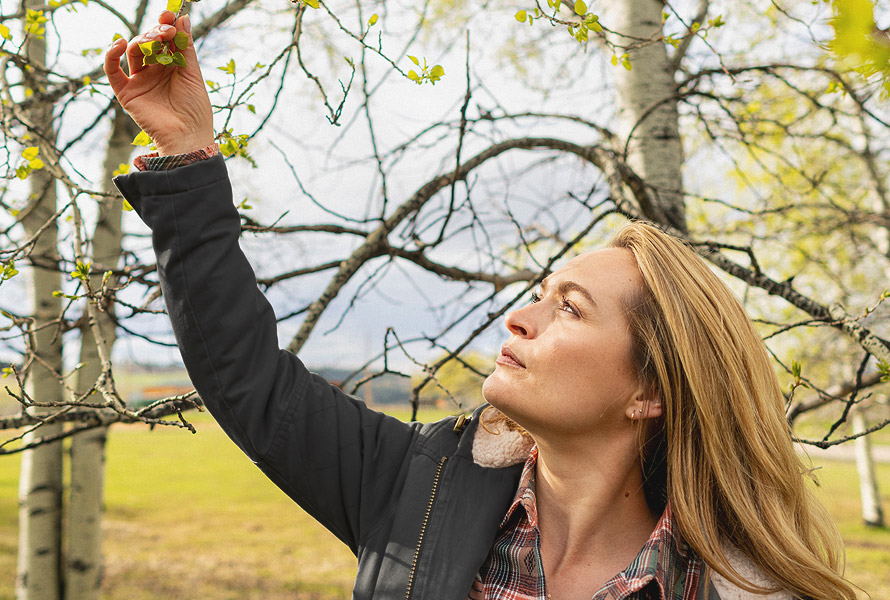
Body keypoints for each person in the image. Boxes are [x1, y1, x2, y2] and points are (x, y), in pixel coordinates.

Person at [104, 12, 857, 600]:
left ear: (649, 392)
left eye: (569, 309)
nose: (518, 319)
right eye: (536, 295)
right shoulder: (417, 484)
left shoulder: (739, 588)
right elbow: (247, 379)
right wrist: (189, 157)